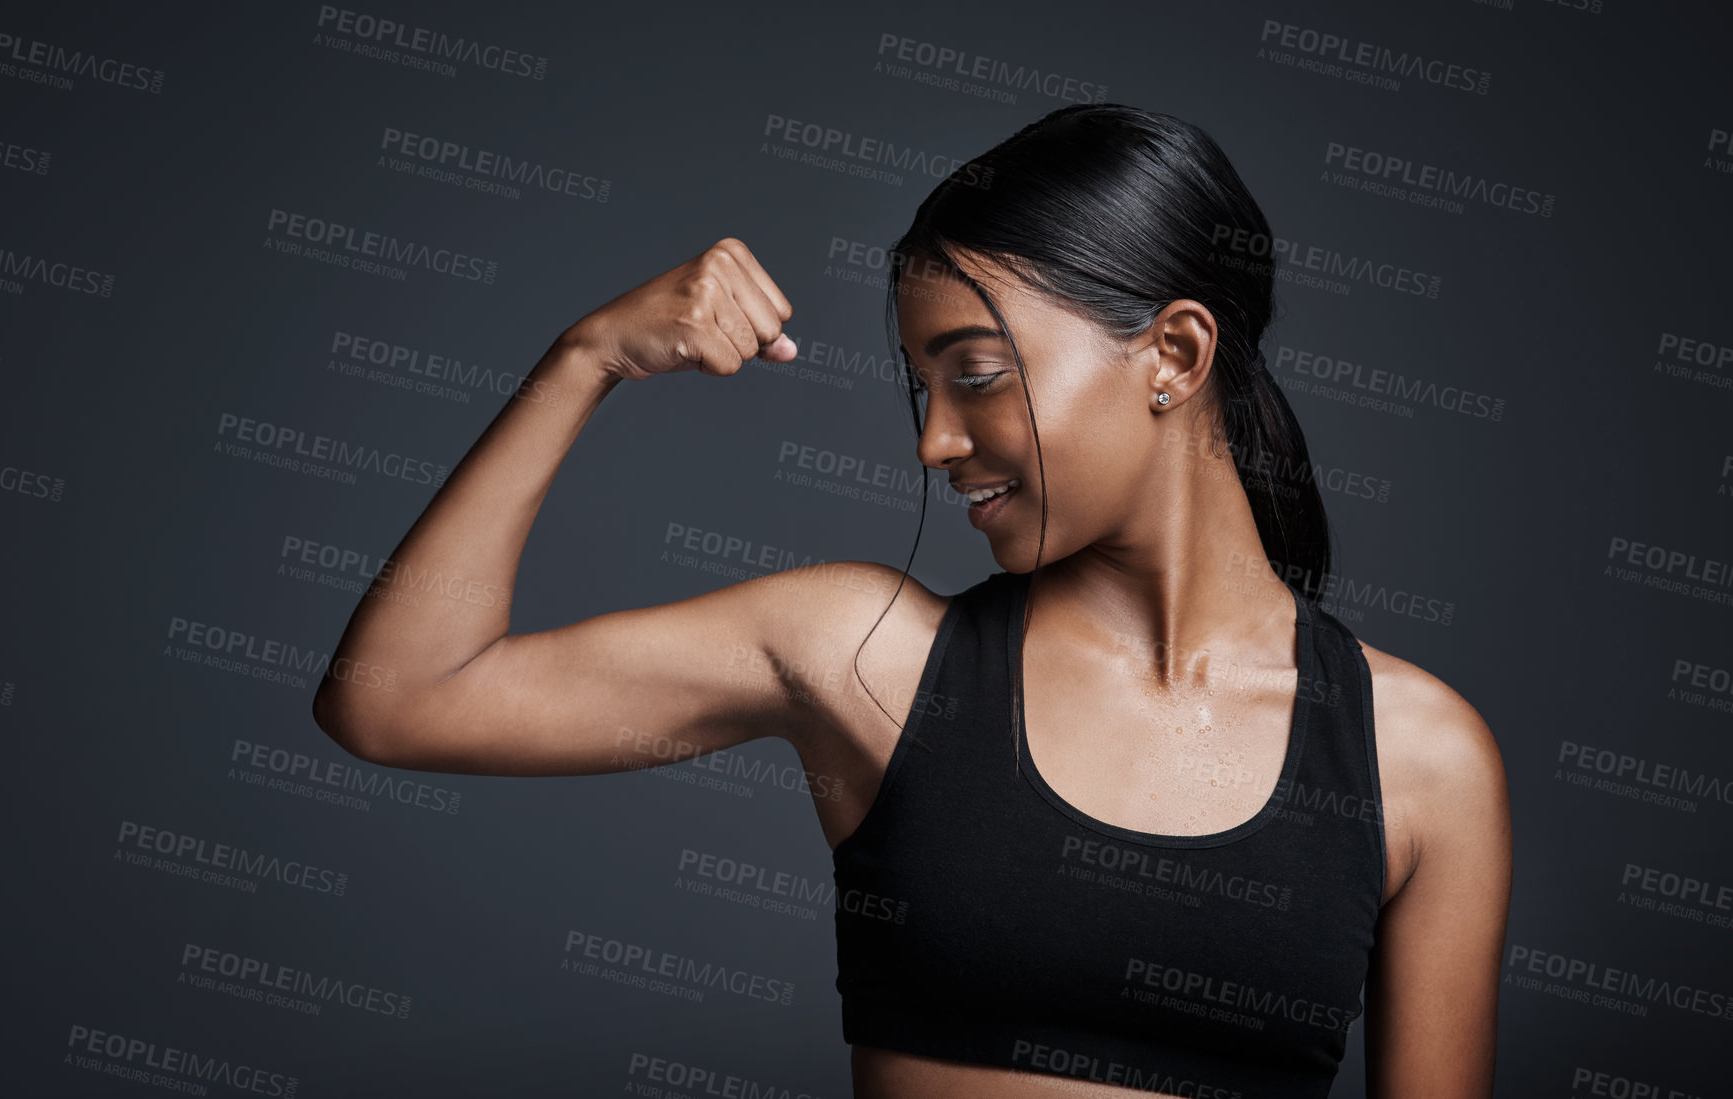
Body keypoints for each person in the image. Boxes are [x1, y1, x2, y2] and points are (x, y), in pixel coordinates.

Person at [312, 103, 1511, 1099]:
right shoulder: (868, 656)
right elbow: (397, 699)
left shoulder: (1414, 759)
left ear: (1176, 356)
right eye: (919, 385)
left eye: (976, 376)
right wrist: (588, 360)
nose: (935, 439)